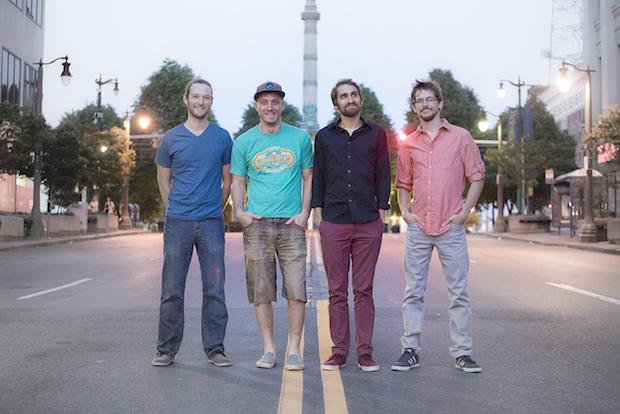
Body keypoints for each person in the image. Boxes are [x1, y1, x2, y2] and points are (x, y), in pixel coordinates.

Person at [391, 79, 485, 373]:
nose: (425, 104)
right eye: (419, 100)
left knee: (458, 292)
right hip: (419, 227)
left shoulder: (461, 137)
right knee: (413, 291)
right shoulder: (409, 144)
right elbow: (402, 183)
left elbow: (477, 175)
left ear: (440, 103)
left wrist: (464, 211)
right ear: (414, 107)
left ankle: (462, 352)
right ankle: (410, 349)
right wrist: (406, 212)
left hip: (451, 226)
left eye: (430, 99)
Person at [231, 81, 313, 371]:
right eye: (264, 102)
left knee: (296, 289)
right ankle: (269, 349)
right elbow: (238, 182)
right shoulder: (243, 142)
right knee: (261, 290)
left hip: (291, 225)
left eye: (275, 101)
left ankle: (293, 349)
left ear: (282, 105)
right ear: (257, 106)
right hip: (258, 225)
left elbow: (307, 178)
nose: (270, 107)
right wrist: (240, 212)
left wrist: (305, 213)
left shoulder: (300, 139)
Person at [151, 79, 233, 368]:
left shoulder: (223, 138)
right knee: (172, 288)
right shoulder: (171, 139)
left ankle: (215, 349)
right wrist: (174, 207)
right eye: (195, 96)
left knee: (214, 287)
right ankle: (166, 349)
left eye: (206, 97)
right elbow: (164, 180)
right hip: (178, 223)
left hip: (211, 223)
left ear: (212, 101)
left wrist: (215, 208)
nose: (200, 102)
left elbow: (227, 181)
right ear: (186, 99)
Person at [311, 79, 391, 372]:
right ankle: (339, 351)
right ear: (336, 104)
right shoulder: (324, 137)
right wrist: (318, 214)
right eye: (343, 96)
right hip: (334, 221)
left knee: (364, 290)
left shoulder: (377, 135)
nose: (349, 99)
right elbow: (318, 175)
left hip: (368, 221)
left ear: (361, 99)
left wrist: (382, 212)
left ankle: (365, 352)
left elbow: (384, 173)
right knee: (336, 291)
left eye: (353, 94)